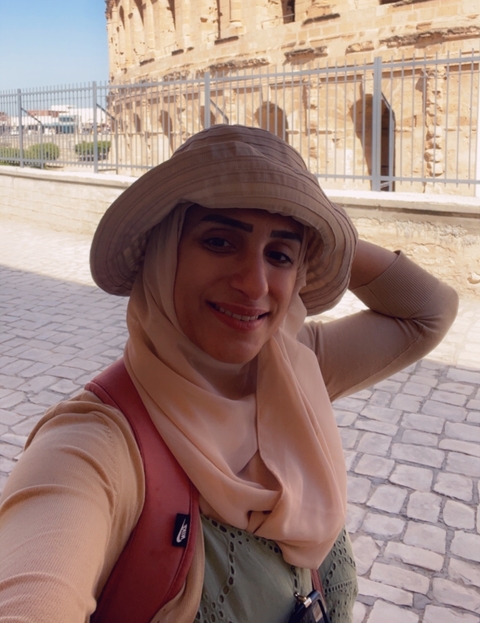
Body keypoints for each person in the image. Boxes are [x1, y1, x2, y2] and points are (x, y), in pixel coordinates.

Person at [0, 125, 458, 623]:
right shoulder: (94, 447)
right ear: (163, 253)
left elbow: (428, 311)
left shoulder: (292, 369)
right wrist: (292, 226)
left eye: (278, 256)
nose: (255, 283)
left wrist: (317, 229)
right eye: (219, 241)